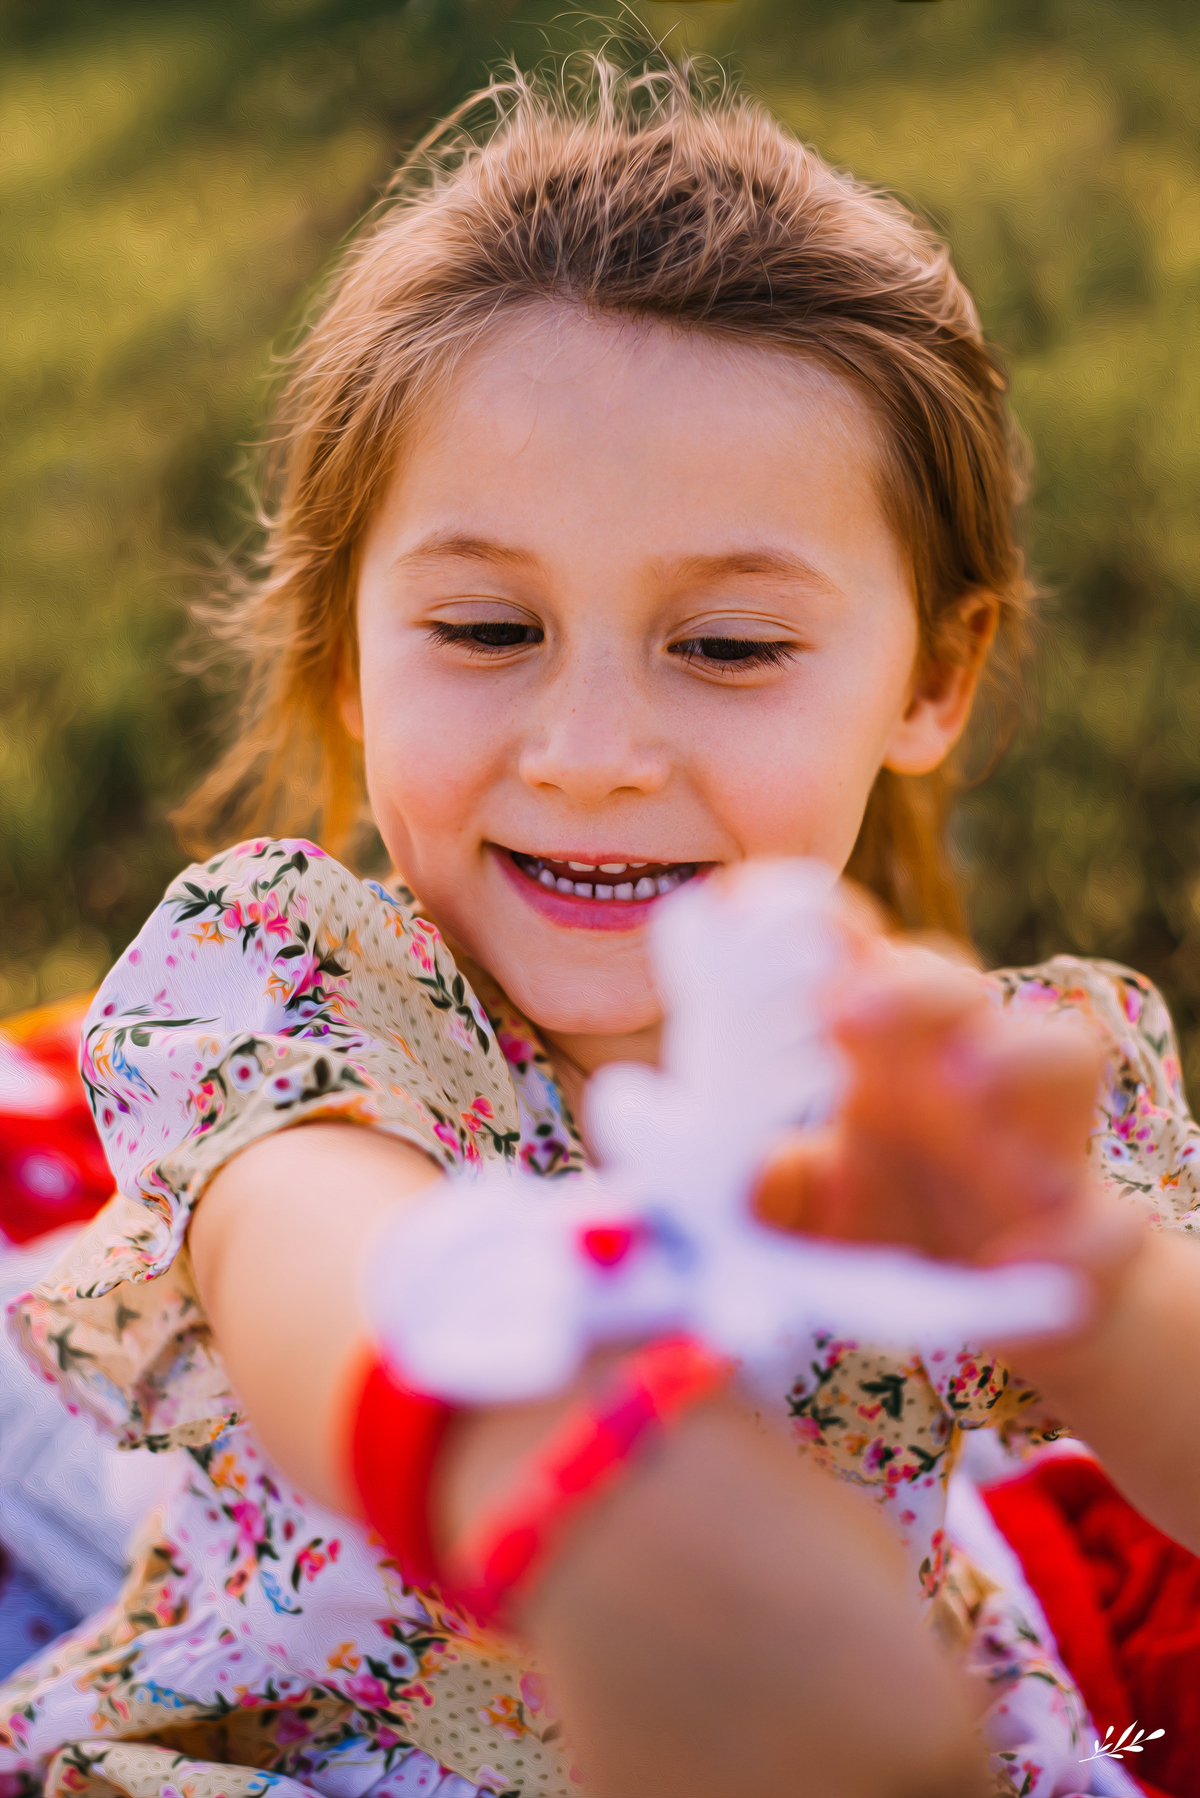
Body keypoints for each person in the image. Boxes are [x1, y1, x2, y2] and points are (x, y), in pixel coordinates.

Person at [1, 53, 1195, 1798]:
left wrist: (1072, 1264)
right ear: (348, 645)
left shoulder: (976, 1086)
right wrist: (559, 1486)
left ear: (931, 675)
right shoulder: (281, 977)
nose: (593, 758)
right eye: (488, 628)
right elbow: (317, 1266)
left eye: (727, 648)